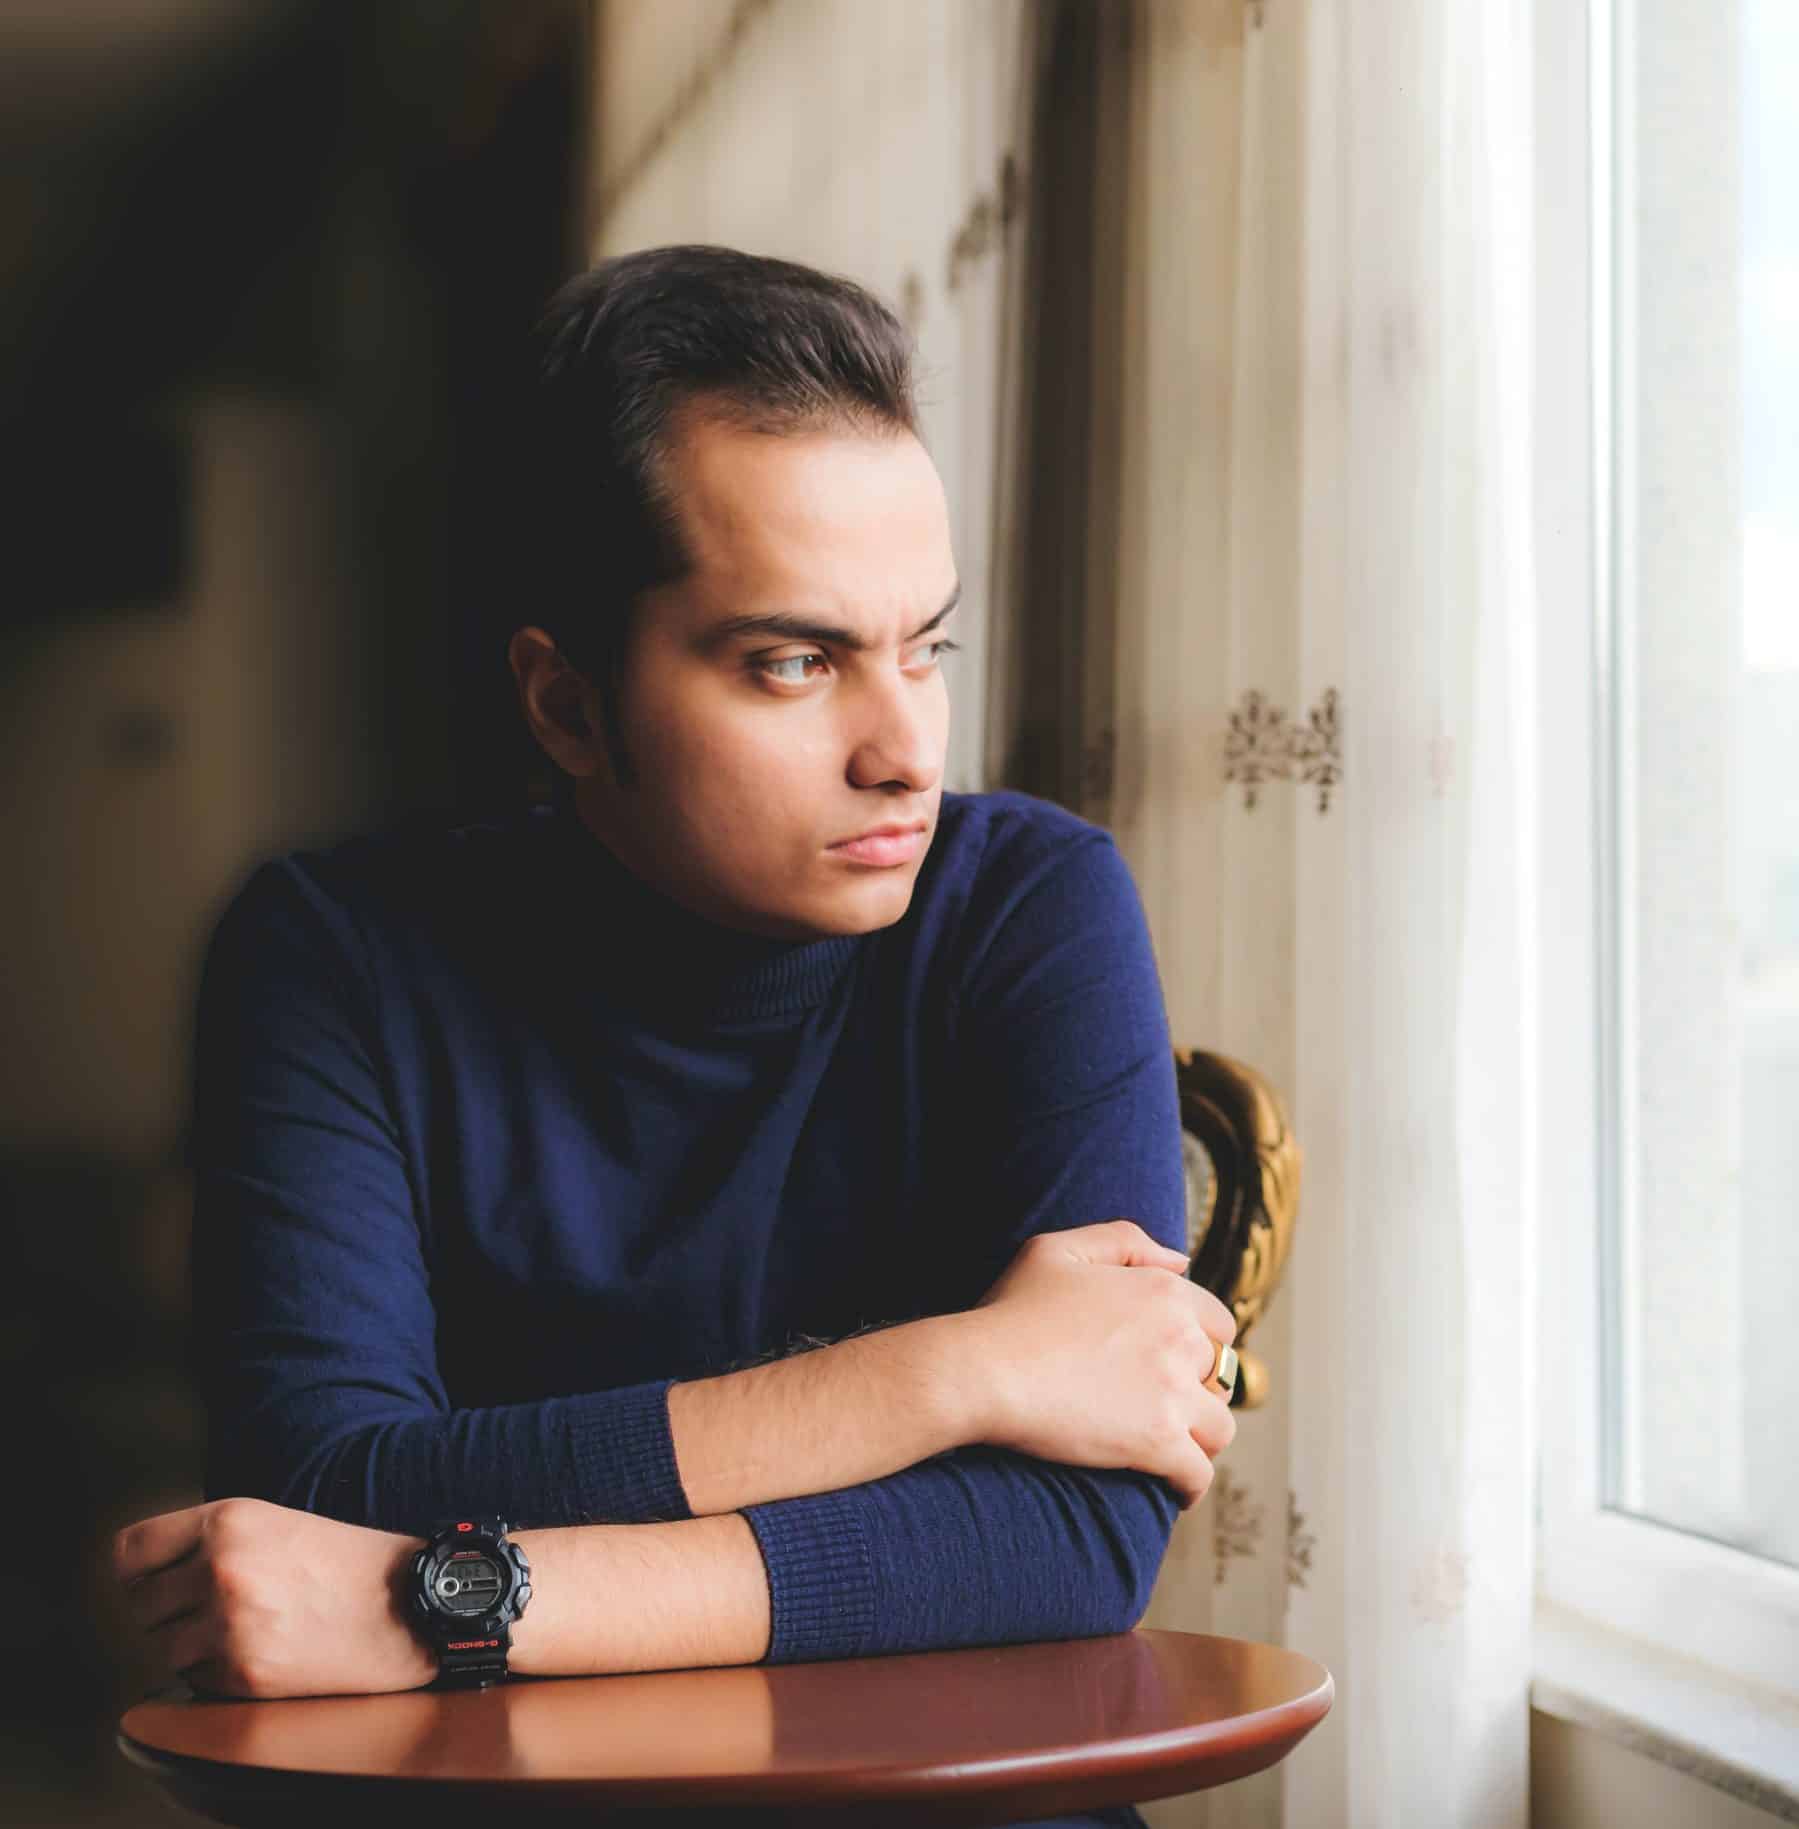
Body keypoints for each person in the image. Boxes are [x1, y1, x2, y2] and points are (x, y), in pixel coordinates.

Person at [103, 246, 1239, 1720]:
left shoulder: (1028, 907)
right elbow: (321, 1484)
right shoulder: (334, 958)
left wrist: (465, 1601)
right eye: (791, 662)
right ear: (569, 703)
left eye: (927, 645)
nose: (905, 749)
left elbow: (1076, 1539)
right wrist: (956, 1373)